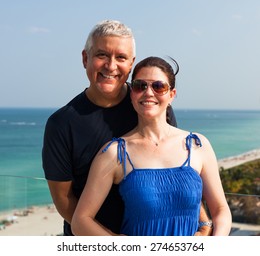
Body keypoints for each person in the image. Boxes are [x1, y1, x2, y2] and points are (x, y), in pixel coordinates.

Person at [42, 20, 212, 236]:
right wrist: (114, 242)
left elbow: (176, 173)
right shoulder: (62, 124)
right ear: (86, 58)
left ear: (131, 64)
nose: (111, 66)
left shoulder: (151, 104)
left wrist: (204, 223)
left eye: (120, 57)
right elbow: (64, 201)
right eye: (101, 55)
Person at [71, 56, 232, 236]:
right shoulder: (115, 153)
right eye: (140, 86)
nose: (148, 92)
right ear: (132, 94)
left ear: (171, 95)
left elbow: (221, 210)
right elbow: (80, 221)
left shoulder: (197, 145)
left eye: (158, 86)